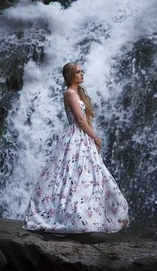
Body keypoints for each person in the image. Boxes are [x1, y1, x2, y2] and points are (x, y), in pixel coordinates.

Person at [23, 62, 129, 233]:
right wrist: (94, 136)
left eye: (82, 71)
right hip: (74, 137)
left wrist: (94, 139)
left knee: (90, 176)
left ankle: (89, 217)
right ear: (71, 75)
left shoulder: (80, 94)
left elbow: (87, 120)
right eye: (78, 72)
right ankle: (69, 216)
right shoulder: (69, 93)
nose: (82, 74)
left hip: (84, 138)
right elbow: (79, 120)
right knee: (71, 176)